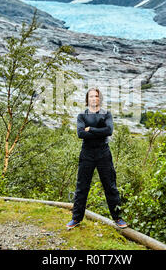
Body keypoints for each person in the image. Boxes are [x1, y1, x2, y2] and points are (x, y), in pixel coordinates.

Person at [66, 88, 128, 229]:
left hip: (103, 153)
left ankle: (118, 218)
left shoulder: (106, 114)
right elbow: (81, 134)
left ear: (100, 98)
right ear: (87, 99)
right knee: (82, 186)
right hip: (87, 153)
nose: (94, 98)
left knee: (110, 185)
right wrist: (96, 132)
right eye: (91, 96)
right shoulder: (82, 115)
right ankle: (76, 219)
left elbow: (109, 131)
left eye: (96, 96)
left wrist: (91, 129)